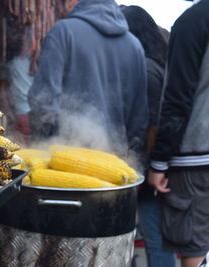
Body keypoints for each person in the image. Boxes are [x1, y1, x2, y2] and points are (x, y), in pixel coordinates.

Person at [28, 0, 148, 158]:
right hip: (114, 163)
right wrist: (132, 161)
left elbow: (43, 100)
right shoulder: (135, 45)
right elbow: (139, 118)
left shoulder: (63, 32)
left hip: (65, 158)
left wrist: (42, 146)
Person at [148, 1, 209, 266]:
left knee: (192, 241)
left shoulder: (194, 20)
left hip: (197, 155)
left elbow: (177, 97)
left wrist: (159, 162)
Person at [121, 5, 175, 267]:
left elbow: (150, 124)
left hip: (149, 167)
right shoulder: (159, 62)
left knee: (155, 239)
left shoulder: (144, 67)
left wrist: (146, 169)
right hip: (158, 164)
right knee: (158, 239)